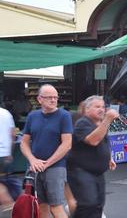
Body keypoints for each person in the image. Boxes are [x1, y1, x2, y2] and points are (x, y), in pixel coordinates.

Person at [20, 84, 73, 217]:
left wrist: (46, 163)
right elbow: (24, 143)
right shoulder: (32, 116)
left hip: (55, 168)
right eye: (49, 97)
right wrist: (32, 160)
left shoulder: (64, 116)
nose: (54, 100)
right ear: (40, 99)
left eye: (55, 97)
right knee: (41, 206)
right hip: (34, 168)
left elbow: (67, 144)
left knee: (56, 207)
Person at [67, 96, 119, 218]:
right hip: (81, 170)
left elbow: (104, 141)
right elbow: (93, 140)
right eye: (97, 107)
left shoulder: (99, 124)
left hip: (97, 172)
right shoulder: (83, 123)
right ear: (87, 109)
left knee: (98, 205)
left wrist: (109, 157)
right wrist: (107, 120)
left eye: (103, 107)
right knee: (88, 203)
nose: (101, 109)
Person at [0, 104, 16, 209]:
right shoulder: (6, 113)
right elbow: (13, 135)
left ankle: (12, 209)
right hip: (5, 155)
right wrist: (10, 152)